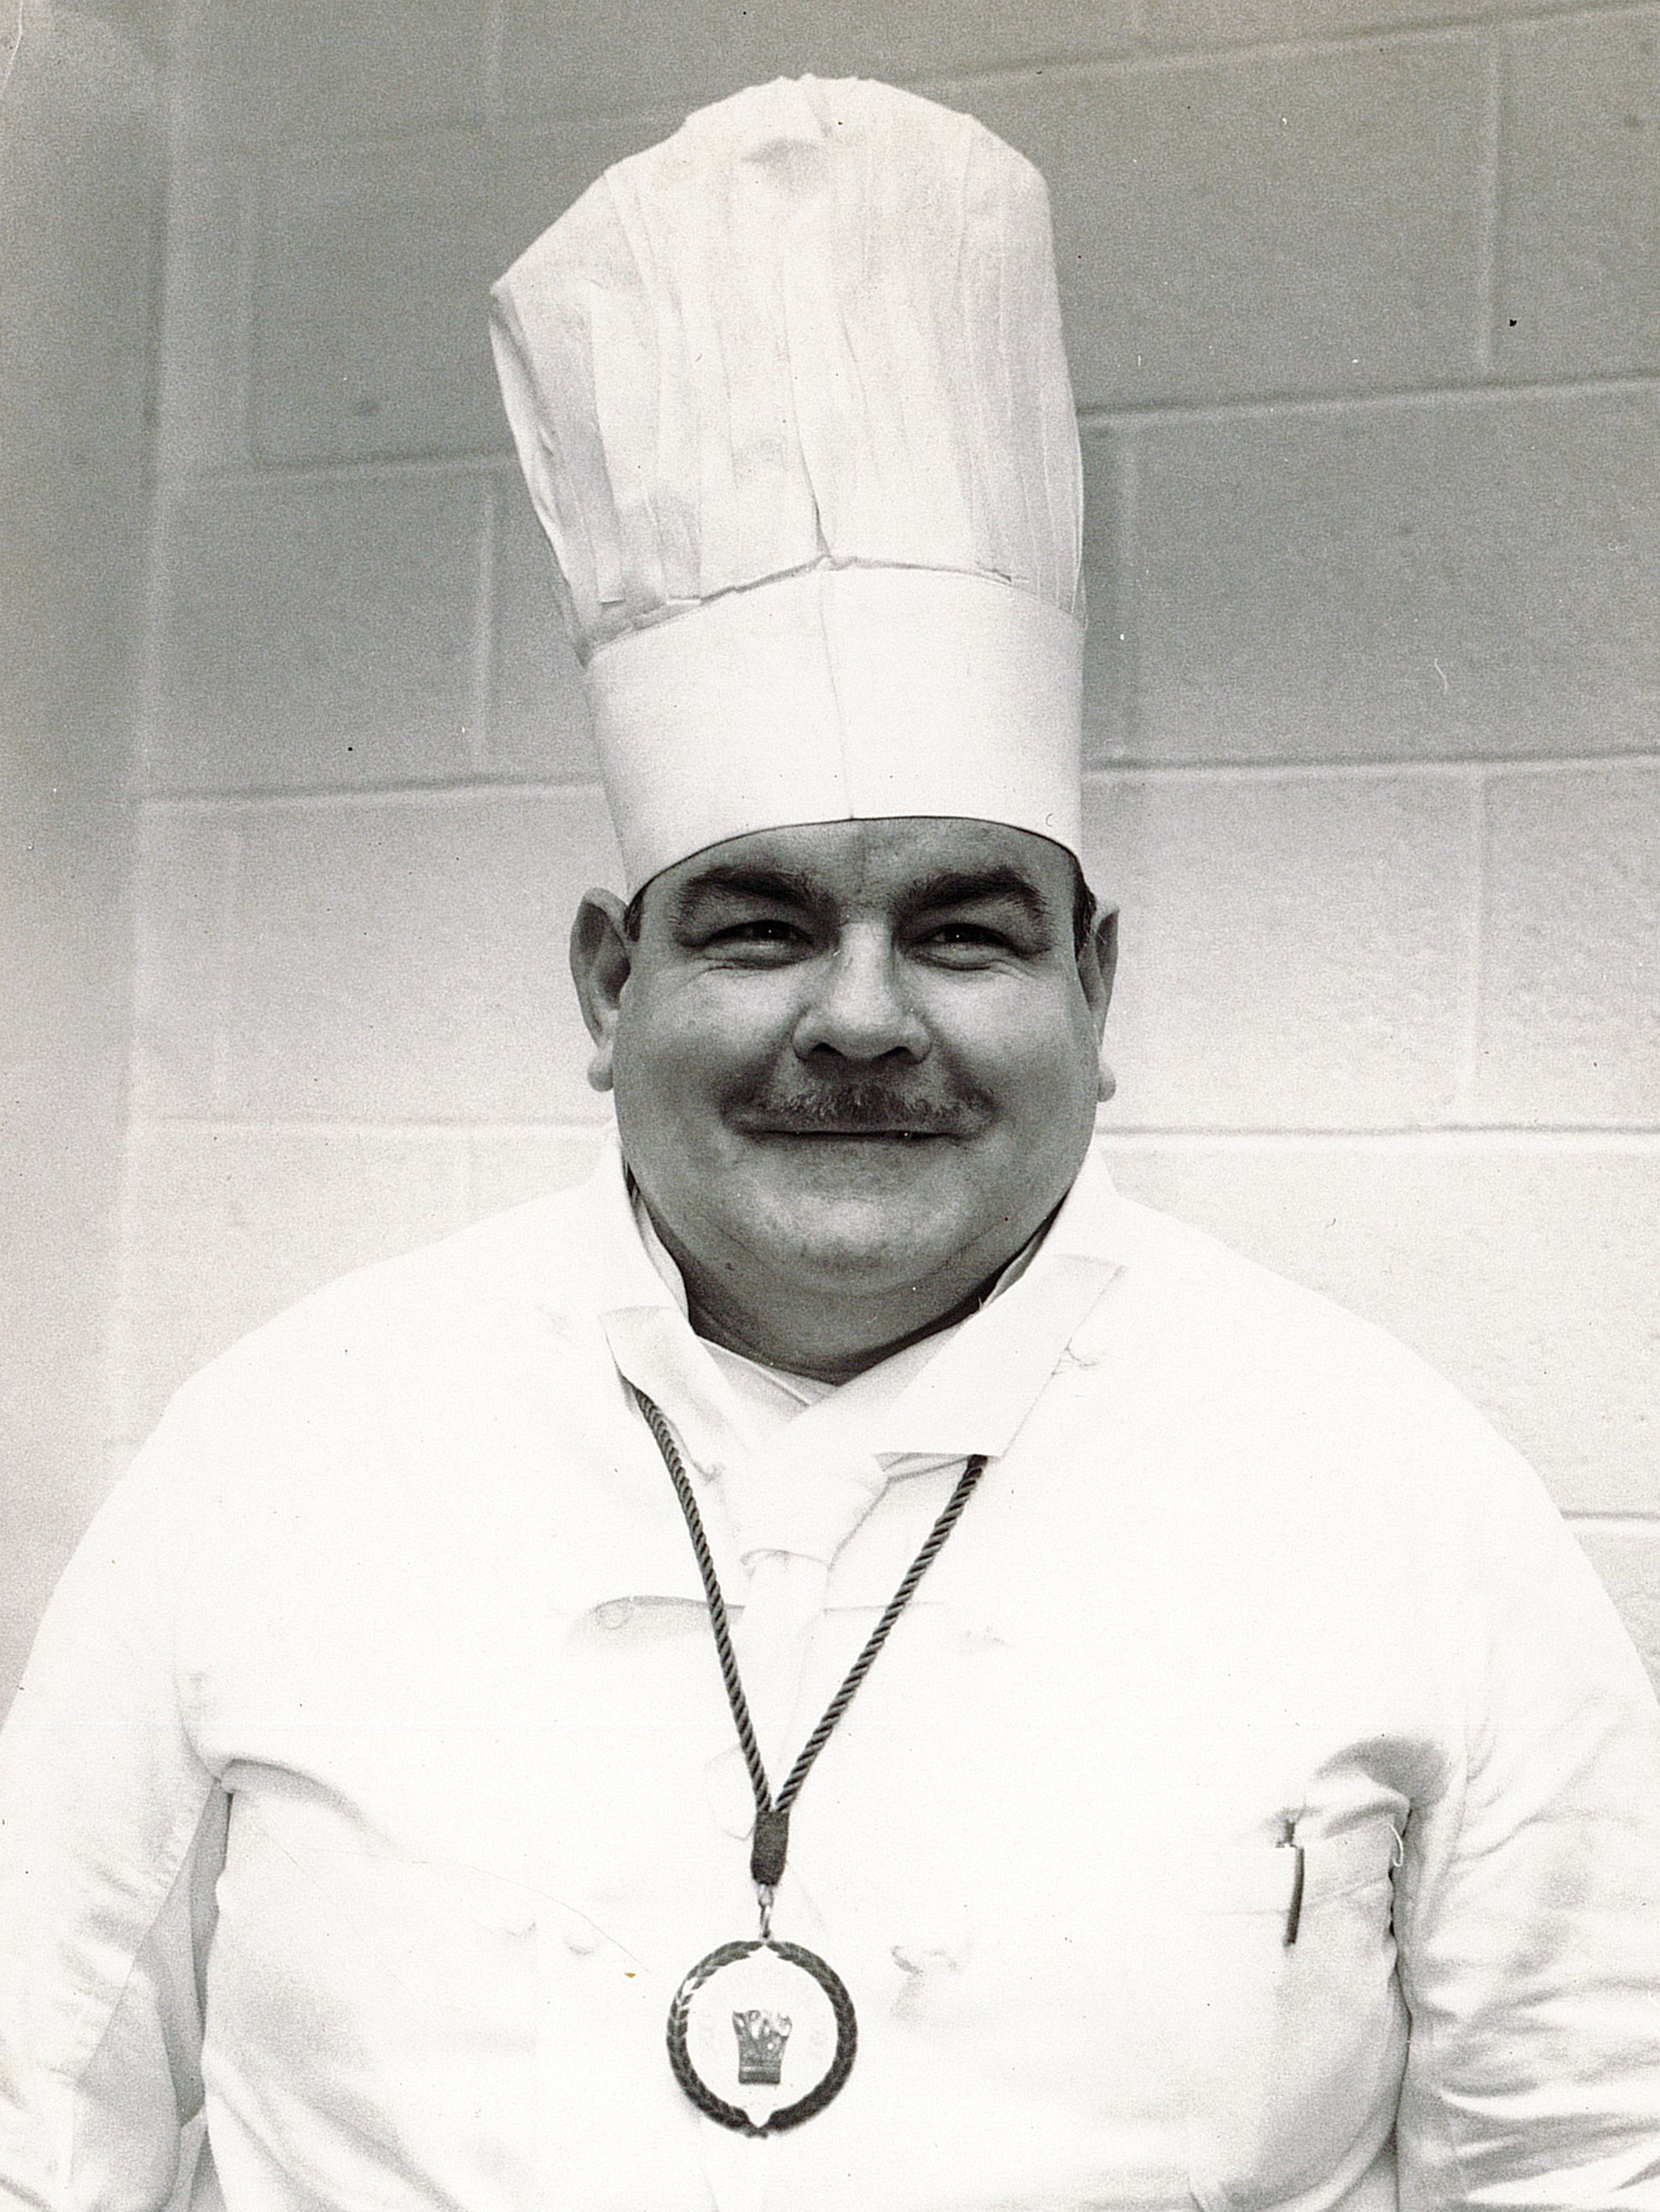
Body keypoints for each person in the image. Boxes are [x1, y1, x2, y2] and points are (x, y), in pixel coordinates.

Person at [2, 74, 1658, 2212]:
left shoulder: (1396, 1490)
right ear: (610, 988)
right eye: (762, 925)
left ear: (1097, 987)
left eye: (962, 932)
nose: (859, 1020)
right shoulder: (279, 1446)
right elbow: (37, 2111)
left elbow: (1586, 2147)